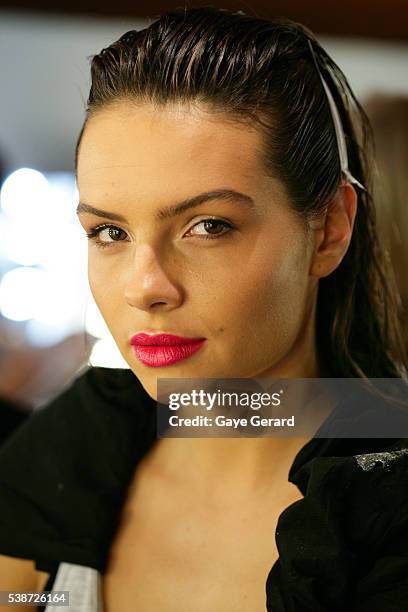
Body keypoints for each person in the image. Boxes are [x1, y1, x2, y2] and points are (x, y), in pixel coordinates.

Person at [0, 6, 407, 611]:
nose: (146, 286)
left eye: (208, 226)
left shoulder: (381, 514)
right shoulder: (65, 459)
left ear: (328, 231)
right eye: (110, 233)